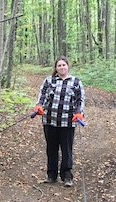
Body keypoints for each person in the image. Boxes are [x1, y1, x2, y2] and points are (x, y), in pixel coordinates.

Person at [33, 56, 85, 187]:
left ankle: (67, 176)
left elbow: (80, 100)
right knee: (51, 148)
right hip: (50, 120)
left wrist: (79, 113)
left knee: (66, 149)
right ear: (56, 68)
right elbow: (42, 95)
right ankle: (51, 175)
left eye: (64, 65)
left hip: (68, 121)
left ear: (68, 66)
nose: (62, 67)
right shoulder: (49, 81)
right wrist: (39, 106)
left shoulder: (76, 82)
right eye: (59, 65)